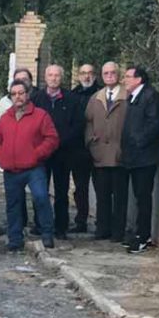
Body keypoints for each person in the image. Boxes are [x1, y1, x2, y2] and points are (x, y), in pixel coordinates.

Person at [0, 81, 59, 251]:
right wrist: (0, 156)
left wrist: (36, 154)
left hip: (33, 168)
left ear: (27, 94)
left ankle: (47, 234)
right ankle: (15, 239)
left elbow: (51, 138)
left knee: (41, 198)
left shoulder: (40, 115)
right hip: (11, 169)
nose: (18, 97)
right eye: (14, 94)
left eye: (21, 93)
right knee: (13, 204)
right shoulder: (5, 117)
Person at [31, 64, 83, 240]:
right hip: (42, 154)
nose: (53, 78)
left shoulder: (72, 99)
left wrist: (60, 141)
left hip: (63, 152)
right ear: (45, 78)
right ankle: (41, 224)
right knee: (40, 191)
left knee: (62, 191)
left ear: (62, 78)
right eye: (50, 75)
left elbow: (77, 126)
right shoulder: (36, 99)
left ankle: (61, 227)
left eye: (57, 75)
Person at [121, 64, 159, 254]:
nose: (125, 80)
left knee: (143, 196)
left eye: (128, 77)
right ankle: (136, 232)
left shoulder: (150, 96)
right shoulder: (133, 97)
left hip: (145, 157)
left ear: (139, 79)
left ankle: (143, 236)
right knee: (137, 196)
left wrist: (138, 141)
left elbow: (154, 123)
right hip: (134, 156)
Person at [86, 62, 130, 243]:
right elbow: (88, 122)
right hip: (100, 155)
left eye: (113, 73)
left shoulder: (127, 96)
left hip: (120, 155)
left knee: (120, 196)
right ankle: (102, 228)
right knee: (102, 195)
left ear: (118, 75)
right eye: (106, 73)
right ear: (102, 76)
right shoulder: (96, 97)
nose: (110, 76)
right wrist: (91, 142)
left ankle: (117, 231)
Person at [70, 64, 100, 233]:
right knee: (80, 188)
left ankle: (101, 223)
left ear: (95, 75)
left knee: (100, 187)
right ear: (78, 76)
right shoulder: (74, 95)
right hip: (79, 149)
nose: (86, 77)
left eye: (90, 73)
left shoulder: (101, 94)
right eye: (83, 73)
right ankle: (81, 220)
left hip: (98, 147)